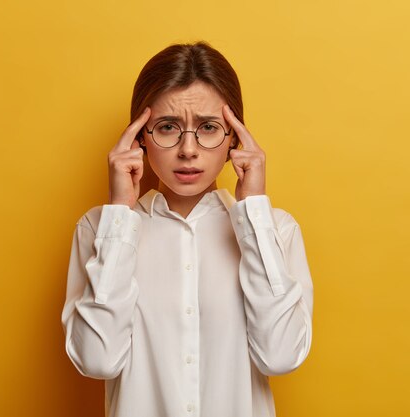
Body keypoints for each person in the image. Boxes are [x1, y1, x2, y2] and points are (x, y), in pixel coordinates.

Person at [61, 42, 314, 417]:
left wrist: (253, 215)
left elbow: (281, 356)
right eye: (167, 127)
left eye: (209, 128)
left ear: (235, 139)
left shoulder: (276, 230)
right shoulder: (99, 229)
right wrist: (119, 216)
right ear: (139, 138)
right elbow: (96, 360)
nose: (188, 149)